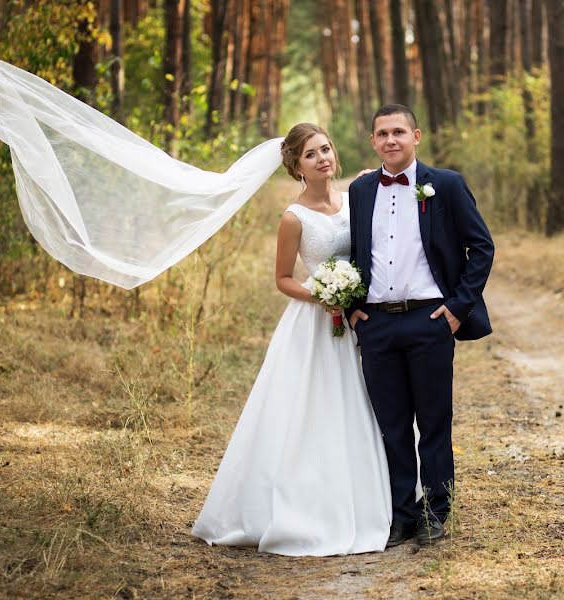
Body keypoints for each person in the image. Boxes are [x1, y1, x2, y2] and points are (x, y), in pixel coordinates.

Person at [191, 123, 392, 556]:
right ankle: (305, 504)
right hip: (316, 321)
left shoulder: (356, 195)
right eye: (310, 155)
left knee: (367, 403)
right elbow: (283, 279)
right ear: (297, 167)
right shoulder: (293, 217)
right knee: (311, 407)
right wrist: (324, 295)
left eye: (325, 148)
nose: (322, 158)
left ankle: (377, 499)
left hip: (361, 315)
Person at [347, 104, 494, 547]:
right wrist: (355, 309)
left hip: (430, 320)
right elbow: (355, 251)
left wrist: (456, 310)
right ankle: (400, 516)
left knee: (433, 423)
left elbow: (481, 247)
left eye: (398, 132)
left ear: (416, 135)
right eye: (382, 134)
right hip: (376, 325)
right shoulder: (360, 190)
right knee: (391, 426)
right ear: (373, 142)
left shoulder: (445, 185)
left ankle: (436, 511)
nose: (390, 140)